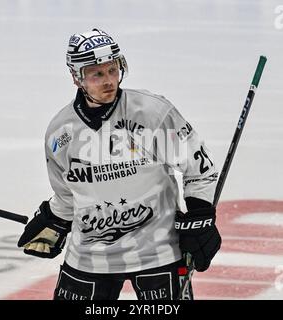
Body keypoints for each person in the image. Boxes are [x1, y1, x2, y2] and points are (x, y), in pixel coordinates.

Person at [17, 28, 221, 300]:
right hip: (88, 258)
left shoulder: (153, 112)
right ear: (76, 77)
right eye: (97, 74)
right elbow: (67, 196)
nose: (109, 80)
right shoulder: (60, 133)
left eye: (113, 69)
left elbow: (200, 171)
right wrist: (53, 219)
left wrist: (200, 214)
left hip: (158, 252)